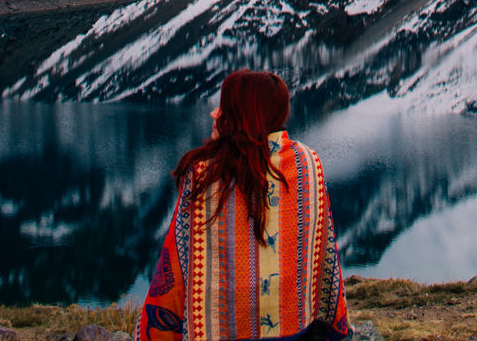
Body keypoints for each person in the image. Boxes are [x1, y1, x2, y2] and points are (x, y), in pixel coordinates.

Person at [135, 70, 351, 341]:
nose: (214, 114)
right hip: (295, 331)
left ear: (243, 114)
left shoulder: (203, 174)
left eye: (225, 107)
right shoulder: (307, 162)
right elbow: (324, 252)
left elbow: (176, 263)